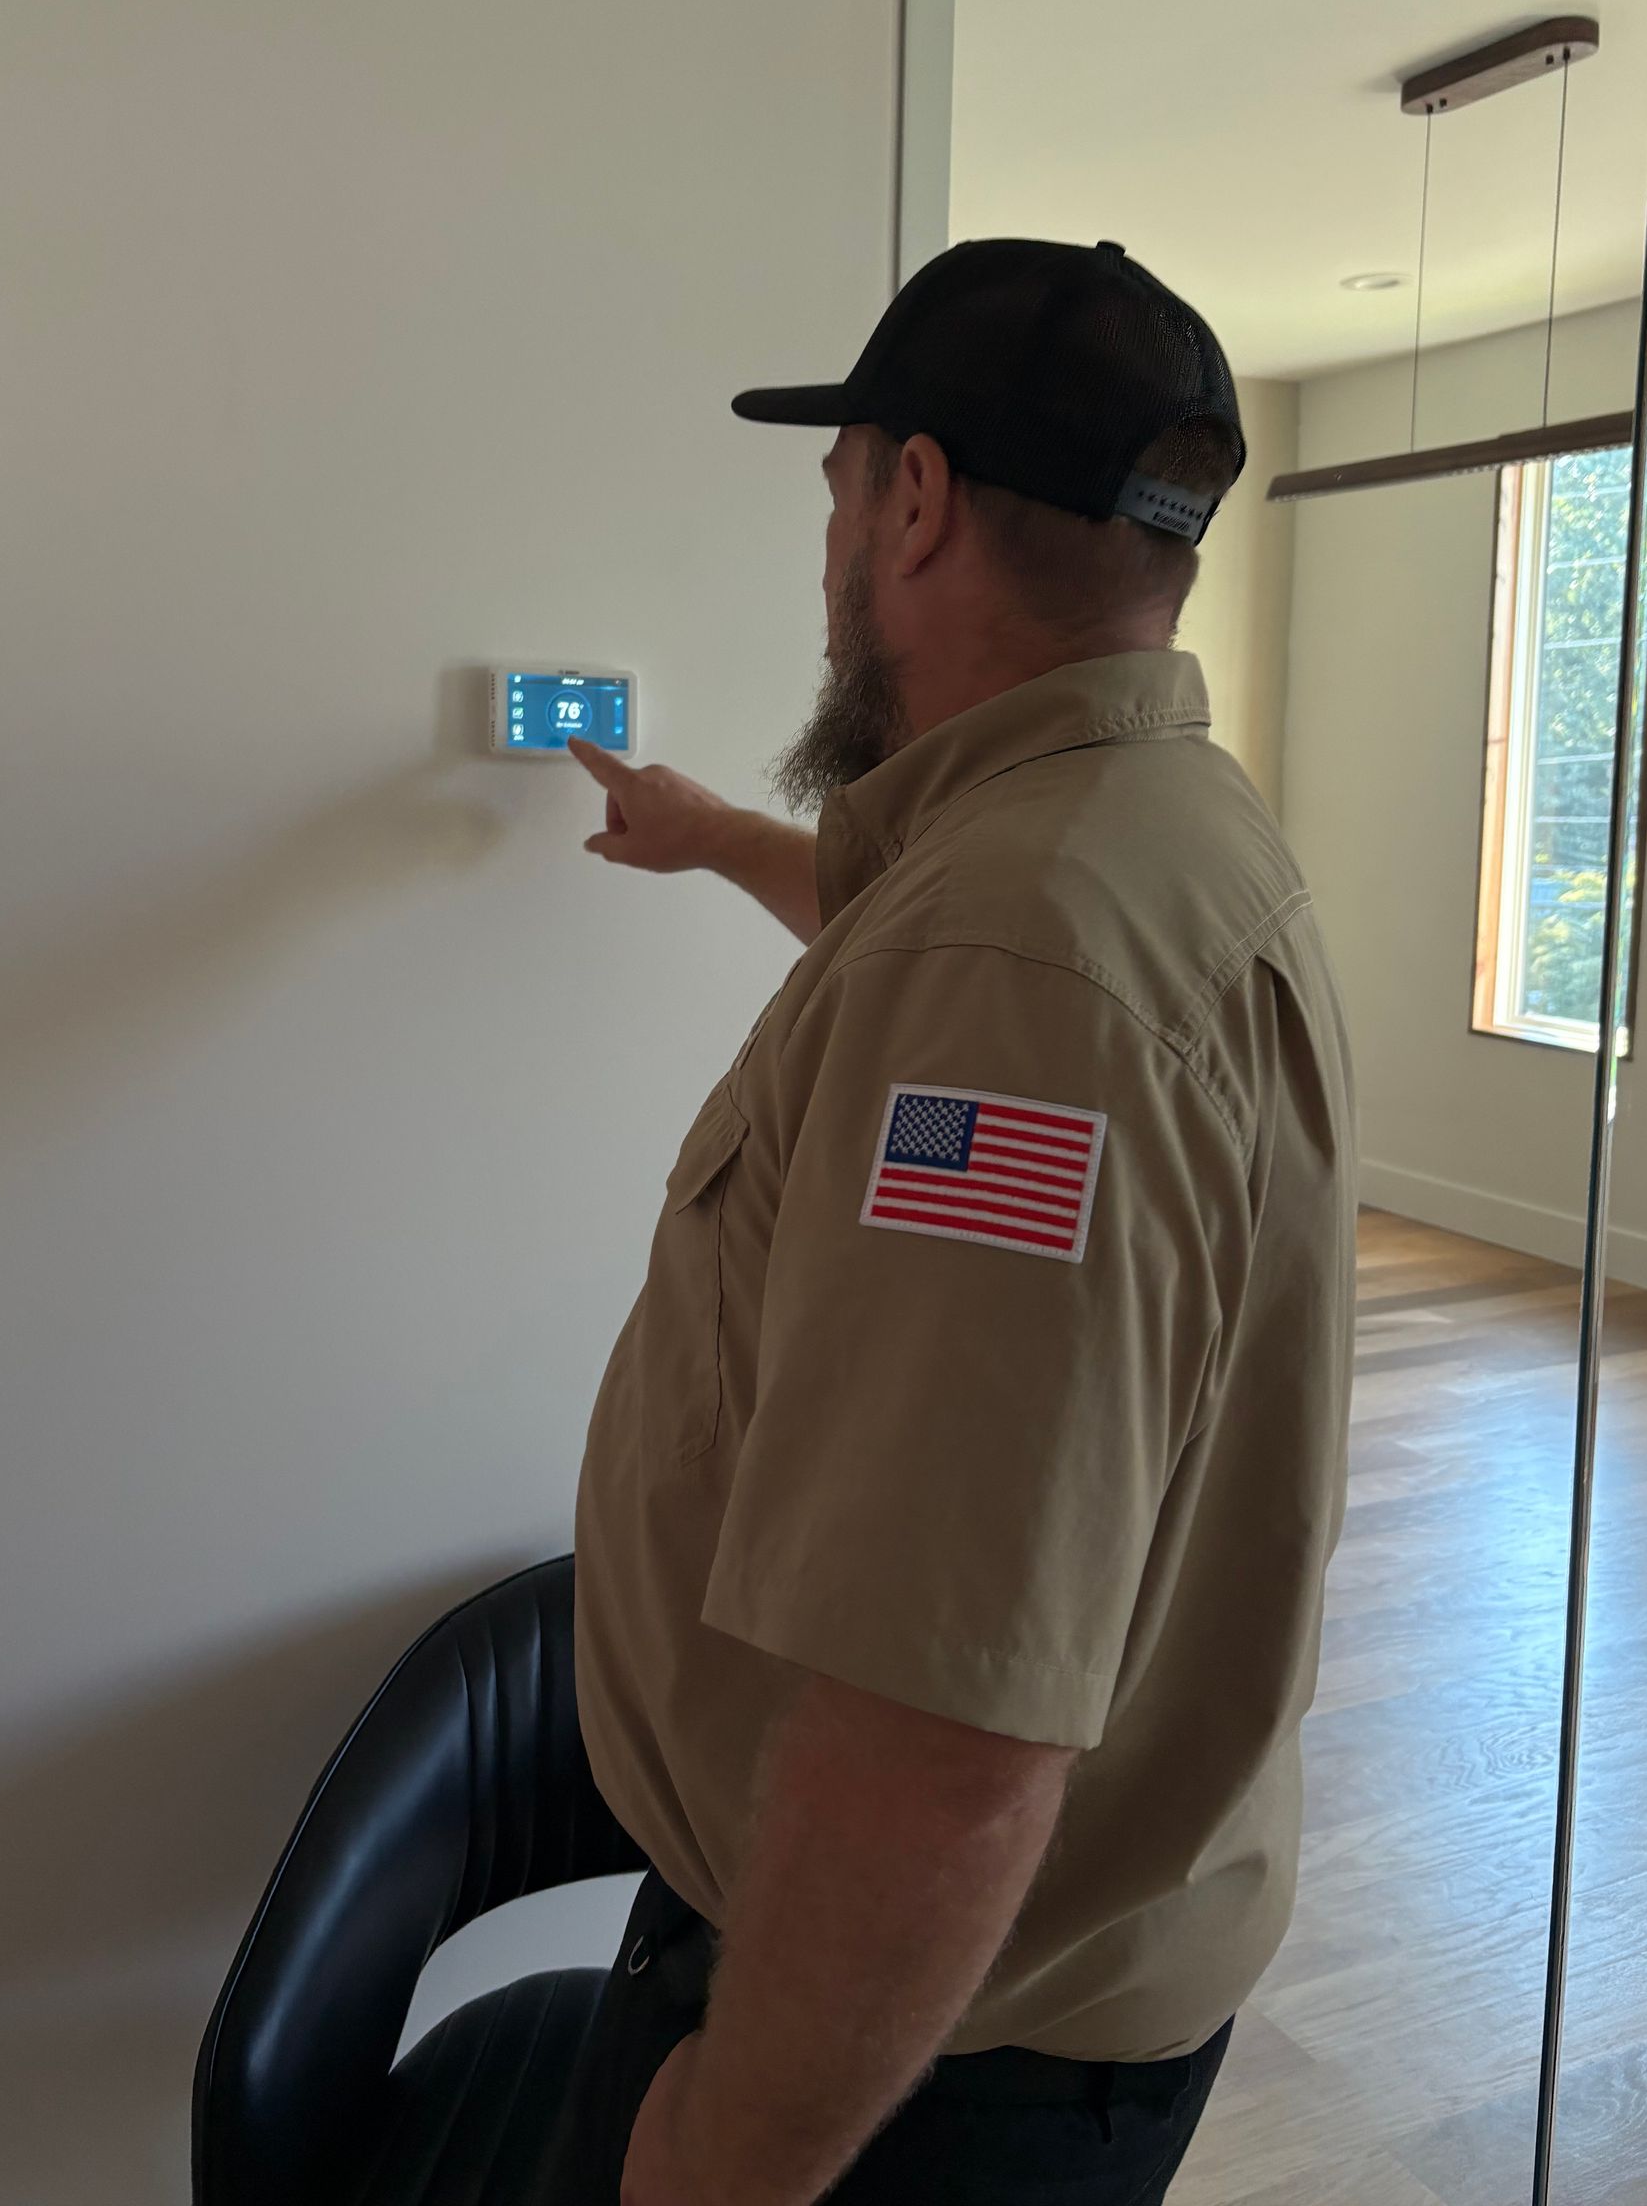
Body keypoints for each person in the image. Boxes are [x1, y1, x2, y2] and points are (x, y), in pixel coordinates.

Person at [550, 239, 1356, 2205]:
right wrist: (714, 832)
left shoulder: (1019, 970)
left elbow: (943, 1728)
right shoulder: (1148, 832)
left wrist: (729, 2152)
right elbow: (928, 927)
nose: (828, 540)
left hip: (893, 2081)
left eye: (838, 490)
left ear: (910, 497)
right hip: (981, 2033)